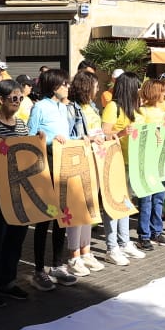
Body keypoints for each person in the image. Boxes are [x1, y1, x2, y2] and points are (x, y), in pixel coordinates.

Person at [25, 69, 81, 286]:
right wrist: (49, 141)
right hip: (45, 165)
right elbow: (30, 137)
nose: (67, 87)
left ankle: (57, 265)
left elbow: (67, 135)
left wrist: (81, 139)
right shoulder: (39, 107)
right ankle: (39, 270)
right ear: (53, 86)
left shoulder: (64, 107)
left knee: (62, 217)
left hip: (63, 165)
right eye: (63, 84)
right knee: (43, 219)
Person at [0, 79, 33, 305]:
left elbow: (29, 154)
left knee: (15, 237)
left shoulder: (21, 124)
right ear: (0, 99)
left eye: (21, 98)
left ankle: (8, 281)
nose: (18, 102)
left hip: (18, 189)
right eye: (13, 98)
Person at [94, 75, 142, 266]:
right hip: (115, 161)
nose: (139, 90)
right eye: (137, 87)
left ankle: (124, 242)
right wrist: (120, 134)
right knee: (112, 205)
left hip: (130, 160)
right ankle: (111, 247)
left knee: (125, 203)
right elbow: (104, 133)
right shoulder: (113, 106)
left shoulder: (133, 108)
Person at [66, 71, 105, 274]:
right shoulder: (72, 108)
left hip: (95, 159)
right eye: (95, 86)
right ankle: (74, 256)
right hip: (79, 160)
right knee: (77, 209)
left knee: (90, 208)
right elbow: (70, 136)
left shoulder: (93, 107)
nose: (98, 90)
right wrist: (87, 139)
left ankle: (86, 251)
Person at [128, 78, 165, 251]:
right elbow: (138, 132)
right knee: (146, 199)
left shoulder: (162, 111)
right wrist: (154, 131)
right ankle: (144, 235)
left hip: (160, 161)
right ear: (155, 92)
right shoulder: (142, 112)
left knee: (159, 198)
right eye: (163, 90)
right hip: (146, 161)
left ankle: (156, 231)